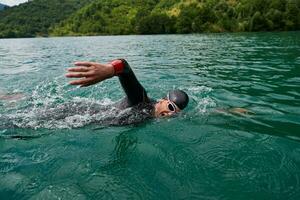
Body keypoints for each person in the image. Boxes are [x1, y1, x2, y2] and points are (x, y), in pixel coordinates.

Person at [65, 59, 189, 119]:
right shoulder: (141, 100)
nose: (169, 114)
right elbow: (125, 67)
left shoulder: (149, 116)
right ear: (162, 101)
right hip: (74, 113)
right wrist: (110, 70)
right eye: (170, 107)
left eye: (174, 114)